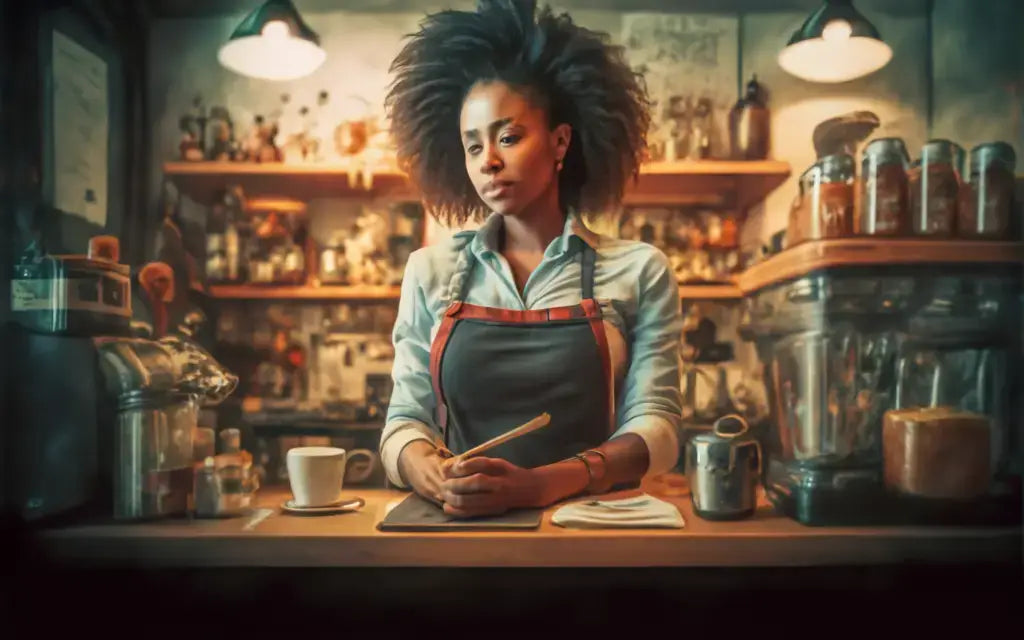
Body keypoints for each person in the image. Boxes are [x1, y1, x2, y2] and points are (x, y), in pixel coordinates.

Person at [379, 0, 682, 518]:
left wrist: (543, 485)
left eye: (508, 137)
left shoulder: (639, 269)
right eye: (472, 147)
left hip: (591, 532)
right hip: (460, 536)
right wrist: (426, 471)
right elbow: (405, 420)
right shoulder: (428, 272)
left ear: (560, 141)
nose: (488, 161)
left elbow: (659, 427)